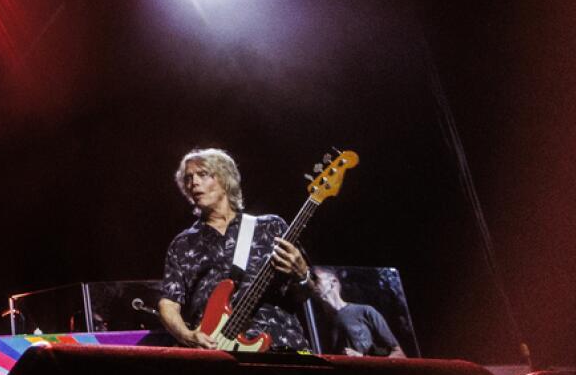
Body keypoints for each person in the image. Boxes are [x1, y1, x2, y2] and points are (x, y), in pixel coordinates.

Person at [158, 148, 313, 352]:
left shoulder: (271, 227)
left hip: (281, 344)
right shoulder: (183, 244)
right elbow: (169, 303)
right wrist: (187, 336)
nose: (193, 182)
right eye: (188, 178)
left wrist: (302, 275)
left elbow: (306, 294)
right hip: (218, 350)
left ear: (225, 179)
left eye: (202, 174)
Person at [312, 268, 408, 357]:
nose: (311, 283)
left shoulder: (365, 312)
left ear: (333, 281)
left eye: (315, 278)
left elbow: (399, 354)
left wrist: (362, 359)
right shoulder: (317, 324)